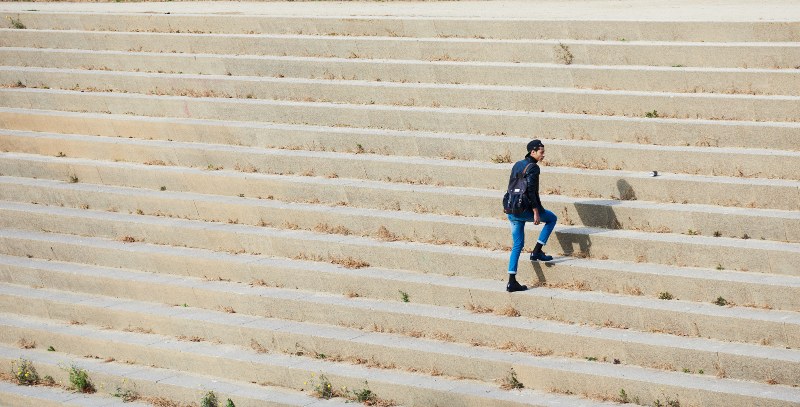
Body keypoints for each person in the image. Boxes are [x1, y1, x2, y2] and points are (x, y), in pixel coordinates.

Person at [506, 139, 558, 292]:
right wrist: (536, 211)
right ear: (532, 152)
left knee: (517, 246)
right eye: (541, 152)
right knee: (552, 218)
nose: (543, 155)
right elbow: (531, 191)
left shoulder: (517, 164)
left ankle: (511, 281)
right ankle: (537, 251)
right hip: (525, 210)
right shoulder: (534, 168)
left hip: (512, 209)